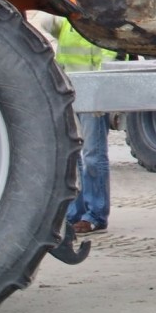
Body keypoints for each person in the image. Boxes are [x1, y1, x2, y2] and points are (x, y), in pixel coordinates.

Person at [46, 16, 111, 232]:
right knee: (73, 156)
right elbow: (44, 21)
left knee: (92, 156)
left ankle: (96, 214)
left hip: (94, 97)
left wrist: (104, 98)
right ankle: (74, 213)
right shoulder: (67, 21)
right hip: (69, 94)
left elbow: (110, 63)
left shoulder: (102, 26)